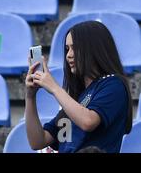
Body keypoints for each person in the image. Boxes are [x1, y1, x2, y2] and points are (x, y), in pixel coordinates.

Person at [25, 21, 133, 153]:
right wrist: (30, 96)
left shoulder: (114, 85)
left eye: (74, 48)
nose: (68, 55)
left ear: (94, 48)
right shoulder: (76, 99)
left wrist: (54, 88)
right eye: (67, 49)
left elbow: (88, 122)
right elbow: (38, 141)